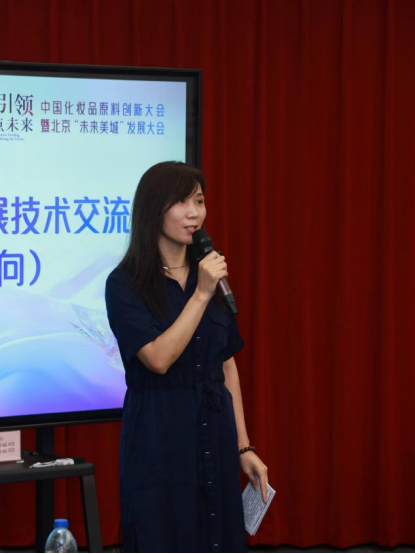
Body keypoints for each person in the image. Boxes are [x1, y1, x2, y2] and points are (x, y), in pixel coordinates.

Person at [105, 161, 269, 553]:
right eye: (181, 202)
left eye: (198, 201)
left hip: (214, 431)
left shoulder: (207, 275)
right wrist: (201, 295)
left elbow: (226, 364)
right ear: (153, 209)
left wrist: (244, 447)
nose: (194, 212)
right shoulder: (126, 283)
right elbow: (158, 359)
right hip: (159, 436)